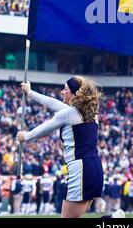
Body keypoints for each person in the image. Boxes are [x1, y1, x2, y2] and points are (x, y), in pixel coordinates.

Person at [17, 77, 125, 219]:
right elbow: (53, 104)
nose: (62, 92)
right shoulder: (90, 112)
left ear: (75, 94)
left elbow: (45, 128)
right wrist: (30, 93)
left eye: (66, 90)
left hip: (80, 168)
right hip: (94, 167)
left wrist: (26, 136)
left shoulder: (69, 114)